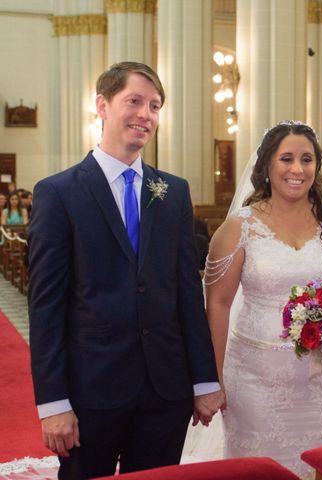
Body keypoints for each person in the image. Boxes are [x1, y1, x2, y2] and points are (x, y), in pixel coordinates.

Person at [28, 61, 224, 480]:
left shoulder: (172, 192)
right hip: (90, 390)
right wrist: (53, 403)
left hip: (164, 389)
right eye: (134, 101)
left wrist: (204, 380)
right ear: (102, 105)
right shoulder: (58, 193)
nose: (146, 115)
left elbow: (188, 292)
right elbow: (46, 307)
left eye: (154, 106)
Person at [201, 120, 322, 478]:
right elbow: (218, 304)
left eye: (307, 159)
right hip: (256, 386)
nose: (297, 169)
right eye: (286, 159)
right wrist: (214, 379)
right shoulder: (241, 227)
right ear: (267, 165)